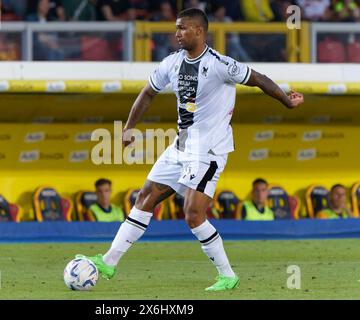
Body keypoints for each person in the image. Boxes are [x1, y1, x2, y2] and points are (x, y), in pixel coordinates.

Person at [76, 8, 304, 291]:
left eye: (182, 28)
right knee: (145, 196)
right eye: (176, 28)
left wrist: (286, 101)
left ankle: (227, 275)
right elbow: (148, 92)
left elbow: (259, 79)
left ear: (199, 31)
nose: (176, 34)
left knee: (193, 214)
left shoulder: (221, 64)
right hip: (181, 146)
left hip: (209, 151)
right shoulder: (172, 63)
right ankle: (109, 262)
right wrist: (129, 127)